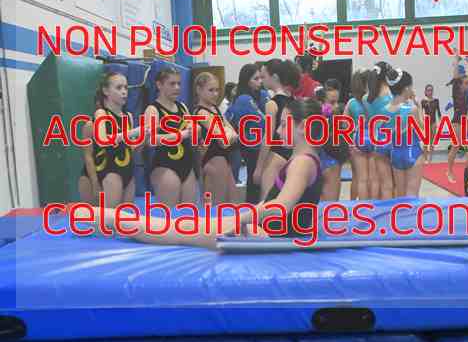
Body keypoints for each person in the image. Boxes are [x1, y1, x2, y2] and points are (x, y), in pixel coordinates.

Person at [90, 99, 323, 250]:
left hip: (264, 235)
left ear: (303, 126)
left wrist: (242, 220)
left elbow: (280, 207)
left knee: (175, 231)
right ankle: (104, 217)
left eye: (284, 124)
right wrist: (246, 216)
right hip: (262, 230)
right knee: (181, 226)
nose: (279, 130)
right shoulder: (304, 159)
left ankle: (104, 218)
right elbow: (275, 203)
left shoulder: (302, 162)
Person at [85, 70, 139, 208]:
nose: (124, 92)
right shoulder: (101, 114)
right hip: (108, 171)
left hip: (127, 172)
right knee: (110, 218)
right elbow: (103, 141)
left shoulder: (128, 117)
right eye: (119, 88)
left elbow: (130, 149)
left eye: (126, 87)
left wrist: (145, 137)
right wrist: (94, 183)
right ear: (106, 91)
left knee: (127, 218)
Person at [144, 67, 197, 207]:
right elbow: (150, 140)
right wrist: (180, 135)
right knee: (169, 215)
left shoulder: (182, 107)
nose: (177, 87)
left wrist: (194, 128)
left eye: (179, 83)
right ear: (159, 85)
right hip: (165, 166)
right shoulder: (153, 109)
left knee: (189, 214)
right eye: (172, 84)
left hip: (187, 165)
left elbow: (192, 129)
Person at [253, 59, 301, 198]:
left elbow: (268, 138)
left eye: (263, 77)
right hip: (292, 156)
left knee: (267, 202)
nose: (261, 81)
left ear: (274, 77)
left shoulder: (272, 104)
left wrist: (259, 168)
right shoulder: (294, 101)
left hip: (276, 156)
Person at [193, 72, 239, 205]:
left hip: (224, 160)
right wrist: (228, 133)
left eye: (217, 90)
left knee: (233, 204)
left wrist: (228, 134)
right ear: (199, 90)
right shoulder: (201, 112)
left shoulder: (215, 109)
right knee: (215, 208)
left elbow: (234, 134)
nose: (215, 94)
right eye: (211, 90)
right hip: (213, 161)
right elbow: (225, 140)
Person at [226, 63, 266, 203]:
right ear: (246, 80)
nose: (260, 82)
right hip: (251, 146)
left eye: (261, 78)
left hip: (255, 144)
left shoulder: (257, 95)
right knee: (255, 180)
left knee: (256, 180)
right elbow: (263, 121)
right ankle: (253, 208)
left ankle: (254, 206)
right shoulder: (244, 99)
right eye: (256, 79)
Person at [382, 69, 424, 198]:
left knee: (400, 195)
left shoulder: (384, 110)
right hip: (412, 151)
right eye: (411, 86)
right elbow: (423, 129)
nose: (412, 89)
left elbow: (384, 136)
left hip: (395, 153)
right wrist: (419, 107)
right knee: (412, 194)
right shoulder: (412, 109)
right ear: (406, 88)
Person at [364, 62, 394, 200]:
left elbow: (370, 119)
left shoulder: (366, 98)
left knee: (382, 182)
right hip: (393, 138)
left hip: (377, 139)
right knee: (393, 184)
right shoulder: (391, 95)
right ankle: (395, 210)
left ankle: (382, 210)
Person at [318, 78, 349, 201]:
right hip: (326, 162)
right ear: (320, 103)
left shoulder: (335, 117)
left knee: (329, 204)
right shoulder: (316, 118)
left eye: (337, 102)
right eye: (332, 102)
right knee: (328, 205)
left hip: (331, 160)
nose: (336, 106)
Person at [345, 70, 374, 200]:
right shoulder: (373, 101)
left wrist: (350, 142)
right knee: (372, 178)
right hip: (373, 137)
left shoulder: (351, 103)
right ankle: (372, 205)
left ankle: (357, 205)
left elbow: (344, 124)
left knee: (359, 178)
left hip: (358, 138)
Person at [447, 53, 468, 183]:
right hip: (457, 122)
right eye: (466, 83)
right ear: (460, 84)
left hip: (464, 120)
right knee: (455, 146)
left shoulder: (465, 90)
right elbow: (456, 76)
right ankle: (449, 171)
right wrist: (456, 60)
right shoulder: (456, 90)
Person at [78, 118, 99, 204]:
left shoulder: (124, 122)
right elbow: (88, 155)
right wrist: (95, 182)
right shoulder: (90, 126)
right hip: (92, 175)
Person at [421, 84, 441, 163]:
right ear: (426, 91)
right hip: (427, 121)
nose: (430, 92)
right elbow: (420, 111)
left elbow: (438, 112)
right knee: (426, 140)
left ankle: (430, 158)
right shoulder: (423, 101)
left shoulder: (436, 101)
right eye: (428, 90)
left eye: (431, 90)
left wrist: (440, 120)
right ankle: (425, 158)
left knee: (432, 141)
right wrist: (422, 119)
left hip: (433, 122)